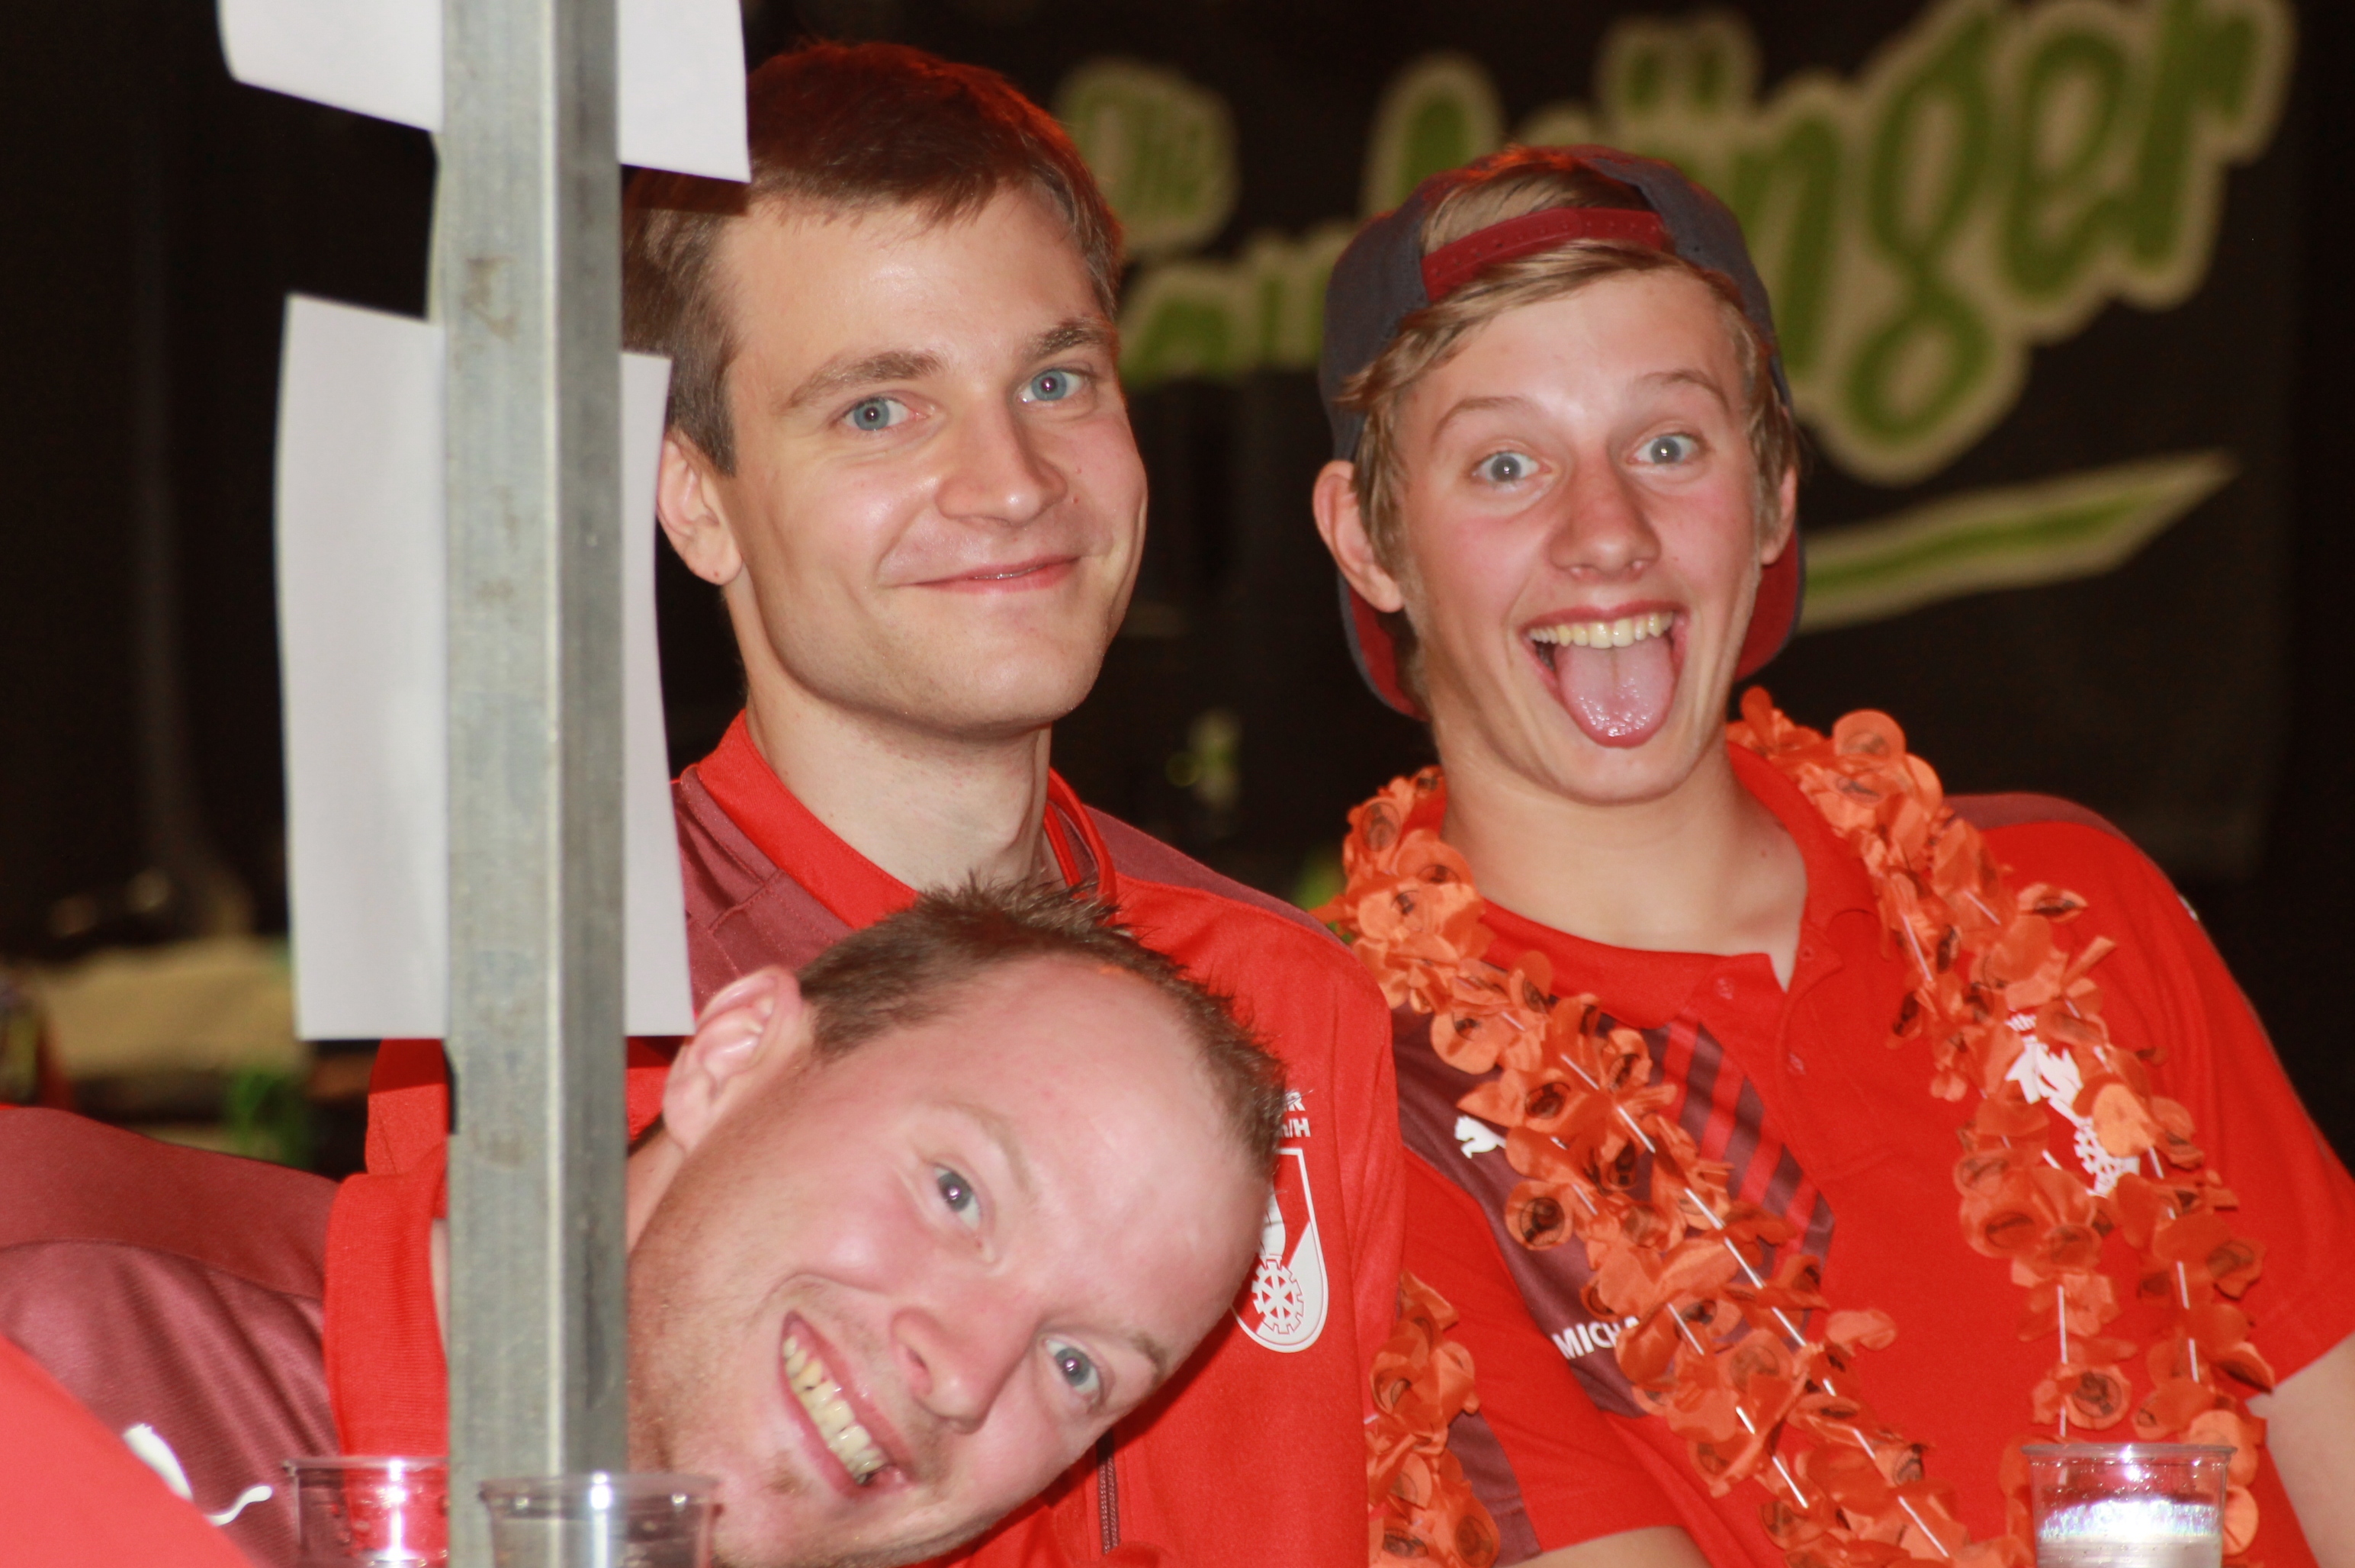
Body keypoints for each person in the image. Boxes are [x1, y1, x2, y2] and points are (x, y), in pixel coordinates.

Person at [362, 38, 1402, 1567]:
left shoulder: (1289, 994)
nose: (1011, 481)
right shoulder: (555, 1011)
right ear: (694, 497)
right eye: (878, 409)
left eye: (1054, 380)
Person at [1307, 144, 2355, 1566]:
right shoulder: (1365, 1086)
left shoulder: (2058, 902)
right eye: (1506, 465)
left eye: (1669, 445)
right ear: (1369, 539)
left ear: (1775, 491)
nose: (1606, 532)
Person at [0, 886, 1287, 1568]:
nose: (964, 1373)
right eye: (958, 1193)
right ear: (732, 1060)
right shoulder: (65, 1314)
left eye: (1078, 1368)